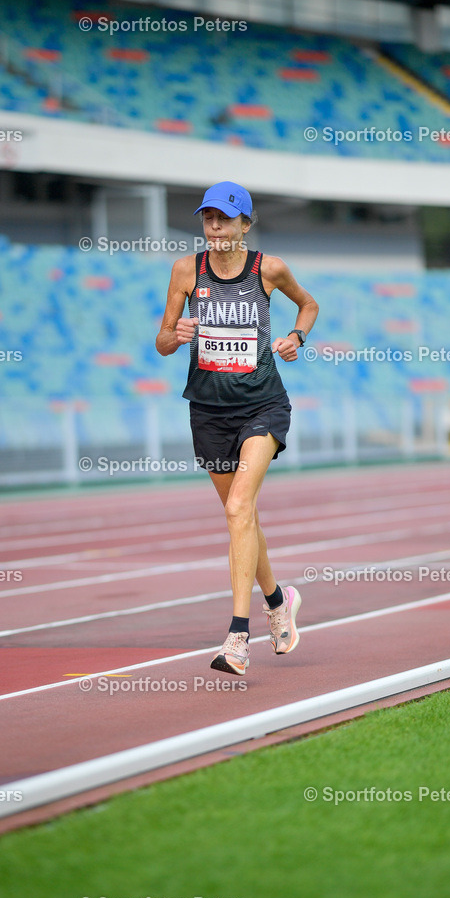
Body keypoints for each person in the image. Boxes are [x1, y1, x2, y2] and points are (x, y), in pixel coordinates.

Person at [156, 181, 319, 676]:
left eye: (224, 219)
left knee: (238, 506)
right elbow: (163, 340)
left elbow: (308, 305)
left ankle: (237, 638)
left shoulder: (268, 269)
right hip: (206, 411)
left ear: (245, 224)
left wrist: (297, 337)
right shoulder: (186, 271)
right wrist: (174, 333)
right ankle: (278, 601)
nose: (215, 228)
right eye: (208, 219)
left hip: (263, 406)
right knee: (240, 517)